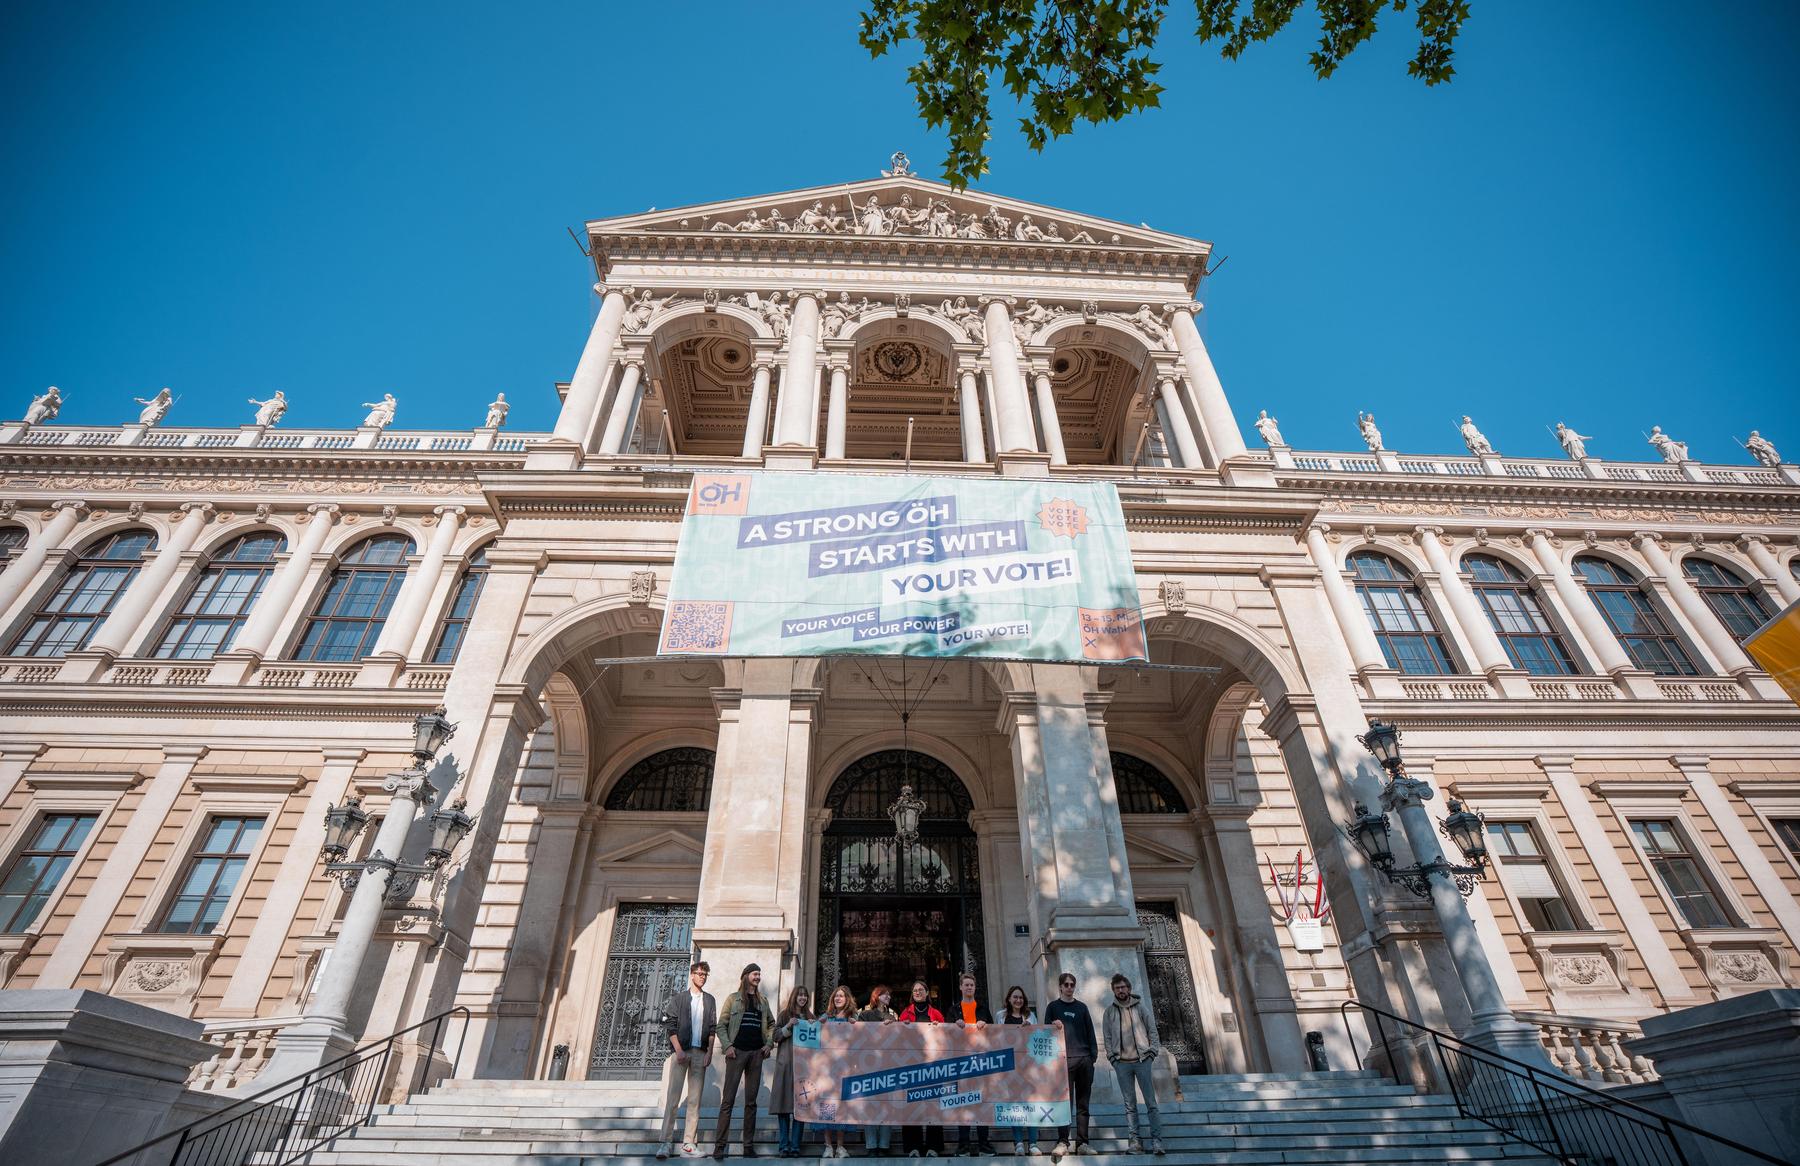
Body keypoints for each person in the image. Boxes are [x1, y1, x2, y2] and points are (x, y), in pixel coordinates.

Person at [712, 963, 775, 1159]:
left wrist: (769, 1044)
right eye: (755, 974)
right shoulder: (733, 999)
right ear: (746, 976)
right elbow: (721, 1025)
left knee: (751, 1103)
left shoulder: (763, 1001)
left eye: (759, 974)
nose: (758, 977)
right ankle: (720, 1146)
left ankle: (748, 1146)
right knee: (727, 1101)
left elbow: (772, 1024)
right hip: (736, 1053)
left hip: (756, 1053)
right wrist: (728, 1046)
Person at [656, 960, 716, 1160]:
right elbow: (671, 1025)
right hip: (681, 1053)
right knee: (673, 1098)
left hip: (700, 1053)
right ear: (691, 975)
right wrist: (678, 1050)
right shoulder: (679, 998)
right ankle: (665, 1142)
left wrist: (708, 1053)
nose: (702, 977)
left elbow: (712, 1027)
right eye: (699, 973)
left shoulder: (710, 1000)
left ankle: (689, 1143)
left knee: (694, 1100)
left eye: (705, 974)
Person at [1102, 974, 1164, 1157]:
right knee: (1130, 1105)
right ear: (1113, 990)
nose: (1120, 990)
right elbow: (1106, 1037)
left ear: (1128, 988)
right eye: (1117, 988)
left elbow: (1152, 1030)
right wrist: (1112, 1058)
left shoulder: (1141, 1007)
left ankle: (1157, 1140)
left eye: (1123, 987)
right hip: (1122, 1064)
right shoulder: (1109, 1012)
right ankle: (1135, 1141)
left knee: (1151, 1103)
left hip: (1143, 1061)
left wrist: (1153, 1052)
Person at [1042, 972, 1095, 1160]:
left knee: (1083, 1104)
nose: (1070, 987)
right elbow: (1044, 1032)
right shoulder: (1053, 1007)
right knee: (1065, 1105)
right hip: (1063, 1062)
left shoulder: (1082, 1007)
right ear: (1060, 987)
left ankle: (1082, 1143)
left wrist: (1092, 1058)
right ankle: (1063, 1141)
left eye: (1072, 984)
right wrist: (1051, 1024)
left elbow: (1090, 1033)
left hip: (1084, 1060)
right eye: (1066, 984)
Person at [951, 972, 997, 1157]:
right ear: (961, 987)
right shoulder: (953, 1010)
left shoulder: (984, 1009)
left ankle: (983, 1144)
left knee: (981, 1103)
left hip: (981, 1064)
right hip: (960, 1065)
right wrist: (954, 1024)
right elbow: (944, 1037)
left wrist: (985, 1024)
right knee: (963, 1104)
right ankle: (963, 1145)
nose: (969, 988)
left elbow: (995, 1034)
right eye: (966, 985)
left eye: (972, 985)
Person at [898, 980, 946, 1158]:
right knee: (912, 1106)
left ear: (927, 993)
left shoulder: (936, 1014)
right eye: (915, 990)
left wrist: (939, 1029)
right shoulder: (905, 1013)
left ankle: (933, 1146)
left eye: (921, 990)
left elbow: (946, 1038)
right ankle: (913, 1147)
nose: (917, 992)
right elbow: (898, 1038)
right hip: (910, 1067)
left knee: (933, 1106)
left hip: (933, 1067)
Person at [769, 985, 814, 1159]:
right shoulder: (784, 1015)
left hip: (803, 1068)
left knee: (800, 1108)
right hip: (786, 1065)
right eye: (800, 995)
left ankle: (795, 1146)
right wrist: (788, 1025)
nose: (802, 998)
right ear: (794, 996)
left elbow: (816, 1042)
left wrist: (813, 1026)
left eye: (805, 995)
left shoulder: (810, 1017)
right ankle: (783, 1146)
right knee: (783, 1107)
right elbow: (775, 1036)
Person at [817, 985, 860, 1158]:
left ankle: (841, 1147)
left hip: (846, 1068)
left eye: (841, 996)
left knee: (842, 1106)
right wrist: (818, 1023)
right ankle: (828, 1146)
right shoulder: (826, 1017)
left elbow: (862, 1038)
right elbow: (815, 1032)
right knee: (827, 1105)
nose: (838, 999)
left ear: (847, 999)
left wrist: (856, 1026)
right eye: (836, 996)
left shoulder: (853, 1017)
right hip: (827, 1068)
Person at [857, 986, 900, 1156]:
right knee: (870, 1106)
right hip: (869, 1065)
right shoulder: (865, 1015)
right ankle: (871, 1146)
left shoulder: (893, 1016)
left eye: (889, 994)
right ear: (876, 996)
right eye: (884, 994)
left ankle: (884, 1145)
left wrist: (894, 1025)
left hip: (889, 1065)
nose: (888, 996)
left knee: (886, 1105)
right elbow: (858, 1036)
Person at [999, 986, 1040, 1156]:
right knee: (1013, 1104)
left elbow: (1038, 1038)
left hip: (1028, 1067)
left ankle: (1033, 1143)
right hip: (1009, 1066)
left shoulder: (1031, 1016)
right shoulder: (1000, 1016)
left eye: (1021, 997)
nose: (1018, 1000)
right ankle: (1018, 1143)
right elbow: (996, 1038)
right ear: (1009, 999)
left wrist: (1030, 1028)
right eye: (1015, 997)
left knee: (1031, 1104)